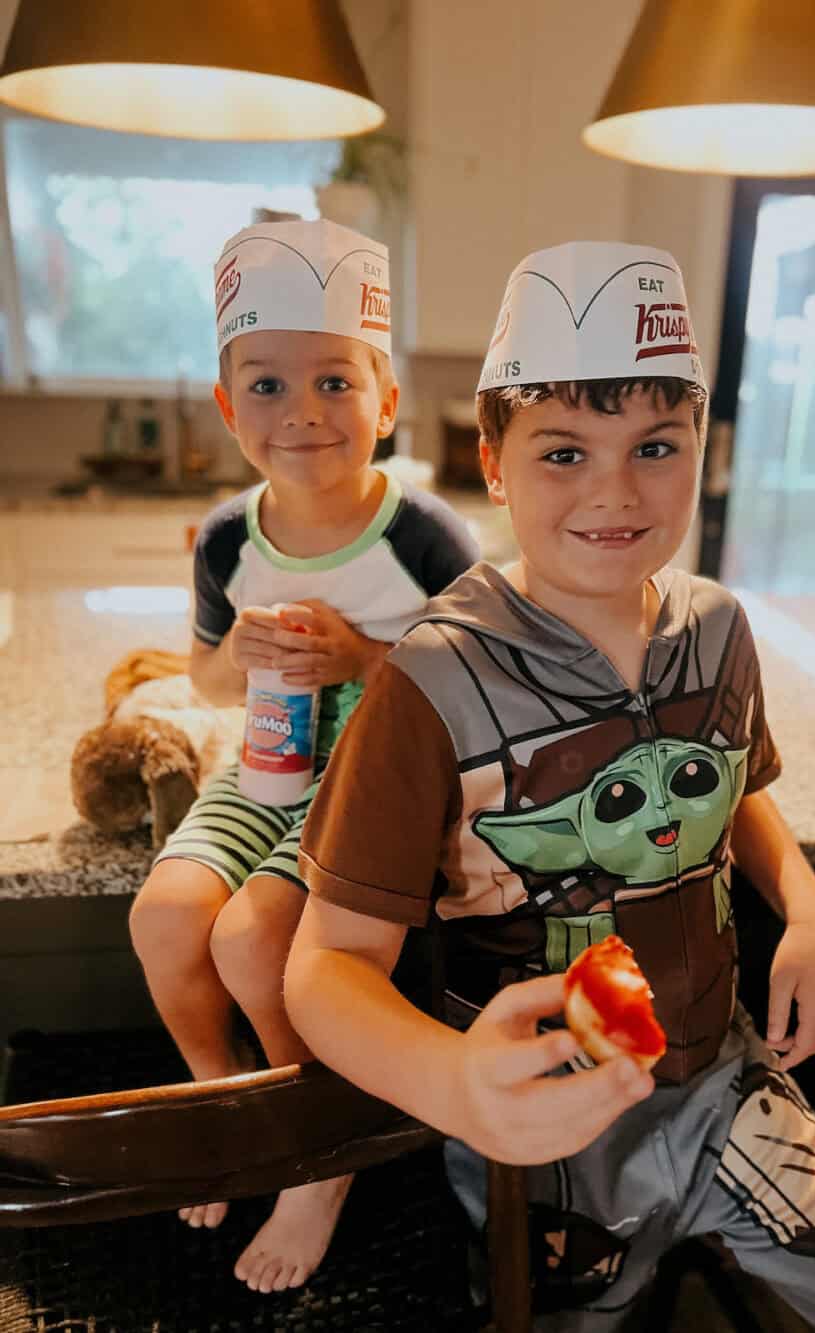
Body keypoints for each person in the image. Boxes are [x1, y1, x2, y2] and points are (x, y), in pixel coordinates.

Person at [285, 241, 815, 1330]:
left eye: (655, 445)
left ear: (702, 447)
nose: (615, 491)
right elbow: (324, 966)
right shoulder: (430, 681)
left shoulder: (717, 628)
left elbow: (731, 788)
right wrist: (452, 1083)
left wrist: (807, 904)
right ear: (493, 460)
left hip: (722, 1085)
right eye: (563, 453)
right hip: (546, 1138)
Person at [128, 219, 478, 1295]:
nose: (304, 412)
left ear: (385, 403)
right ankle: (230, 1102)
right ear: (231, 410)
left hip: (374, 784)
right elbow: (205, 681)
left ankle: (314, 1149)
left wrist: (367, 655)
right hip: (263, 767)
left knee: (249, 941)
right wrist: (236, 652)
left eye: (335, 379)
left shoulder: (423, 535)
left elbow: (477, 686)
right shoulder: (228, 535)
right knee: (165, 915)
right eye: (268, 386)